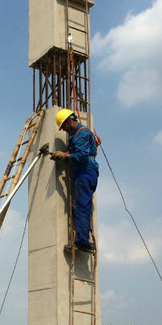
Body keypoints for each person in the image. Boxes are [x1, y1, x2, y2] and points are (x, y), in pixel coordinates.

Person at [50, 108, 99, 253]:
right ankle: (86, 236)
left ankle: (83, 242)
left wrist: (66, 157)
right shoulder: (78, 134)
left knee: (82, 205)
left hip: (84, 172)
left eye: (63, 127)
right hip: (85, 172)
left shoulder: (81, 134)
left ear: (69, 121)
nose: (64, 130)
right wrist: (65, 154)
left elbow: (82, 156)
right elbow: (78, 152)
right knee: (81, 205)